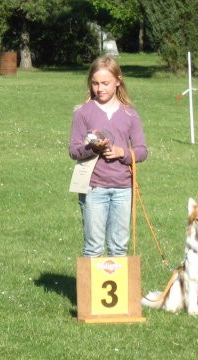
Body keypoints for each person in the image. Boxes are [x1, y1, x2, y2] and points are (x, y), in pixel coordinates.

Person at [69, 55, 148, 257]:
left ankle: (119, 289)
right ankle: (90, 290)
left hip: (123, 189)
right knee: (93, 248)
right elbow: (74, 150)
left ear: (118, 81)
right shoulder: (83, 112)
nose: (100, 89)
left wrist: (123, 153)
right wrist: (93, 148)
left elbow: (142, 150)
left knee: (119, 248)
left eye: (105, 83)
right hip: (93, 188)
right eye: (95, 83)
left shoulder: (130, 114)